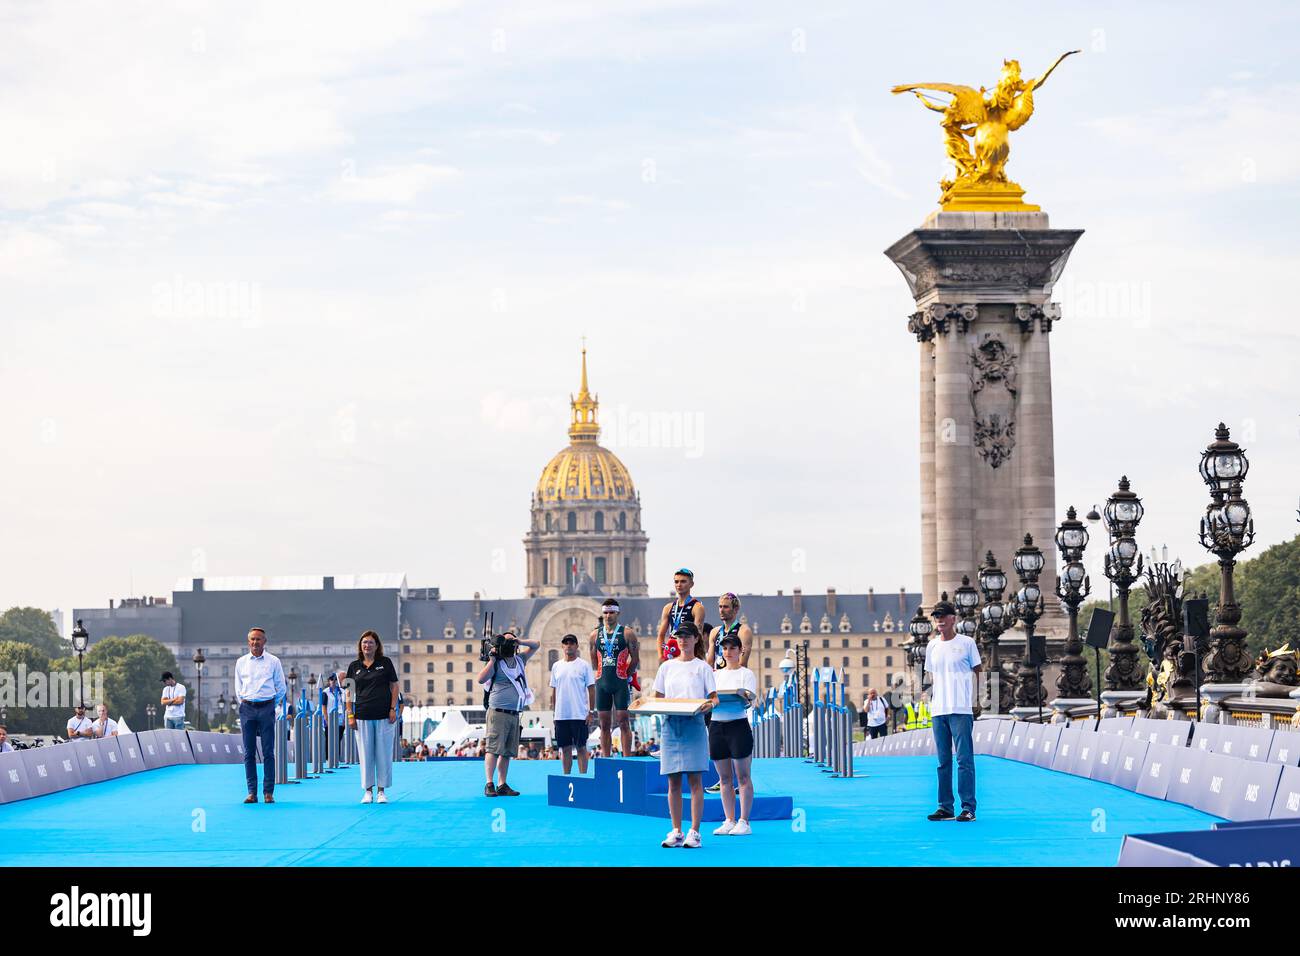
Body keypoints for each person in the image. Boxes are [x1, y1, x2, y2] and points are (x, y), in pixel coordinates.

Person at [653, 622, 718, 848]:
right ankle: (677, 831)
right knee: (672, 782)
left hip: (694, 724)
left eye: (687, 636)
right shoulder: (666, 667)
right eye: (679, 637)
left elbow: (714, 698)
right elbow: (657, 696)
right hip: (671, 725)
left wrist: (706, 707)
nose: (683, 640)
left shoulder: (703, 668)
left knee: (695, 781)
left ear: (696, 639)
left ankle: (695, 831)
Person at [924, 599, 982, 823]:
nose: (938, 619)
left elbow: (979, 671)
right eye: (936, 616)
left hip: (960, 708)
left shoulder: (967, 643)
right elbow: (930, 676)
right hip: (939, 710)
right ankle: (945, 806)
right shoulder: (932, 646)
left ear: (952, 618)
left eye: (942, 615)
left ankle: (968, 807)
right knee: (942, 761)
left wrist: (977, 699)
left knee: (964, 760)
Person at [476, 630, 539, 797]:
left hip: (514, 712)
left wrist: (520, 640)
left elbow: (536, 644)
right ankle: (489, 783)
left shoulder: (520, 660)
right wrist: (492, 659)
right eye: (506, 641)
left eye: (512, 642)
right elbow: (481, 679)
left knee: (507, 752)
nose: (509, 644)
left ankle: (502, 784)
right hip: (498, 711)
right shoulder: (497, 662)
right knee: (493, 749)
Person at [710, 632, 757, 835]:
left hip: (738, 725)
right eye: (725, 648)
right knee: (724, 778)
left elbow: (749, 700)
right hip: (716, 726)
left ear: (740, 651)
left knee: (743, 776)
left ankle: (744, 821)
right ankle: (729, 819)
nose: (728, 652)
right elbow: (708, 698)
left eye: (732, 648)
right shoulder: (715, 674)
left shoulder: (746, 674)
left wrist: (743, 695)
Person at [235, 626, 288, 805]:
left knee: (268, 752)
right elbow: (238, 687)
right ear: (248, 642)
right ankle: (251, 792)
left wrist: (270, 704)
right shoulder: (241, 662)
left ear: (265, 642)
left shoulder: (274, 661)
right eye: (252, 639)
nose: (255, 642)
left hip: (266, 707)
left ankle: (268, 792)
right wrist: (244, 701)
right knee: (248, 752)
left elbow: (281, 687)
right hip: (247, 708)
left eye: (259, 639)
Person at [346, 629, 399, 805]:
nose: (367, 645)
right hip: (362, 716)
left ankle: (381, 791)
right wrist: (350, 714)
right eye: (364, 642)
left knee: (383, 754)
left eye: (370, 642)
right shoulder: (354, 666)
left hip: (384, 715)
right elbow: (348, 693)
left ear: (377, 646)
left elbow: (395, 686)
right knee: (365, 755)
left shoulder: (386, 663)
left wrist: (393, 708)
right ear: (360, 646)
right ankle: (367, 791)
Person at [590, 599, 638, 757]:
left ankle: (626, 757)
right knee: (604, 723)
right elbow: (594, 661)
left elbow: (635, 659)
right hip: (602, 682)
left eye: (611, 612)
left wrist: (625, 675)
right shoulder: (594, 635)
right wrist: (601, 674)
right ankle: (606, 756)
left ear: (618, 613)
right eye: (605, 612)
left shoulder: (627, 633)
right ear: (602, 613)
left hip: (620, 683)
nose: (608, 615)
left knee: (624, 721)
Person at [551, 633, 596, 774]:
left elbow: (591, 690)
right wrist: (554, 713)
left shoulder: (584, 665)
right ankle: (567, 777)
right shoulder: (556, 666)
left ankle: (583, 777)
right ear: (562, 646)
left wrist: (591, 712)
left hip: (579, 714)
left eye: (571, 643)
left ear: (576, 646)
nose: (568, 645)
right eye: (566, 643)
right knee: (565, 748)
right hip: (561, 715)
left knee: (581, 747)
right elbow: (554, 691)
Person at [657, 568, 706, 662]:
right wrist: (661, 656)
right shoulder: (668, 607)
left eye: (683, 581)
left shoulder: (697, 607)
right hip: (671, 653)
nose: (679, 585)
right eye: (676, 582)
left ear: (691, 584)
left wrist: (694, 658)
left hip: (688, 655)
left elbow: (697, 635)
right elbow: (661, 635)